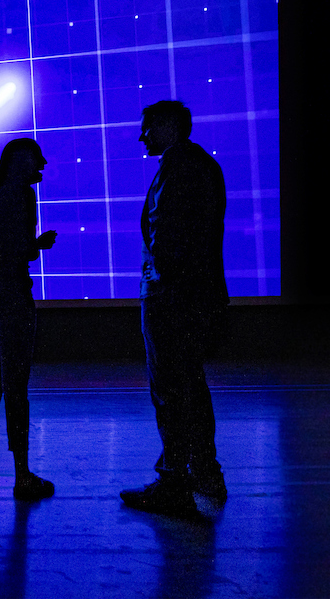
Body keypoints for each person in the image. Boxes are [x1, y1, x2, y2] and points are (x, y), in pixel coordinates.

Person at [121, 100, 230, 517]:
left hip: (171, 299)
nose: (141, 136)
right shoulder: (202, 164)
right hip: (193, 297)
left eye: (147, 127)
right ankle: (203, 473)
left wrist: (159, 278)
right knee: (190, 387)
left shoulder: (178, 167)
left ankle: (174, 483)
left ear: (168, 126)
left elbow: (167, 237)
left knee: (169, 389)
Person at [0, 138, 58, 501]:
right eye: (37, 158)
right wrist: (37, 245)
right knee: (16, 387)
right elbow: (12, 252)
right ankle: (22, 476)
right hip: (10, 298)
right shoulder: (20, 195)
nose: (44, 163)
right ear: (20, 162)